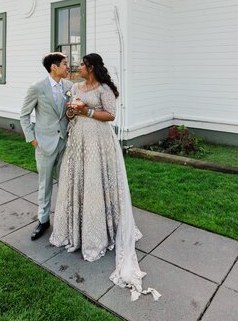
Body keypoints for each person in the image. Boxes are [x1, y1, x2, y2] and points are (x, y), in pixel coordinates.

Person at [49, 53, 160, 301]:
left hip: (99, 141)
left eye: (83, 65)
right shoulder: (76, 86)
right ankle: (76, 230)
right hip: (78, 139)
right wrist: (71, 110)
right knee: (77, 182)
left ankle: (102, 230)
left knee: (96, 182)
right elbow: (71, 113)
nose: (78, 68)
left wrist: (86, 110)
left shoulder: (104, 88)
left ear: (92, 67)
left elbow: (111, 116)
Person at [20, 52, 73, 241]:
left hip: (65, 143)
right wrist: (33, 139)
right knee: (45, 184)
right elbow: (24, 115)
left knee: (66, 183)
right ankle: (43, 221)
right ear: (54, 67)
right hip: (44, 144)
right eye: (65, 64)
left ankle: (65, 219)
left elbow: (69, 112)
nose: (68, 67)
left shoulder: (70, 86)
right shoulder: (37, 88)